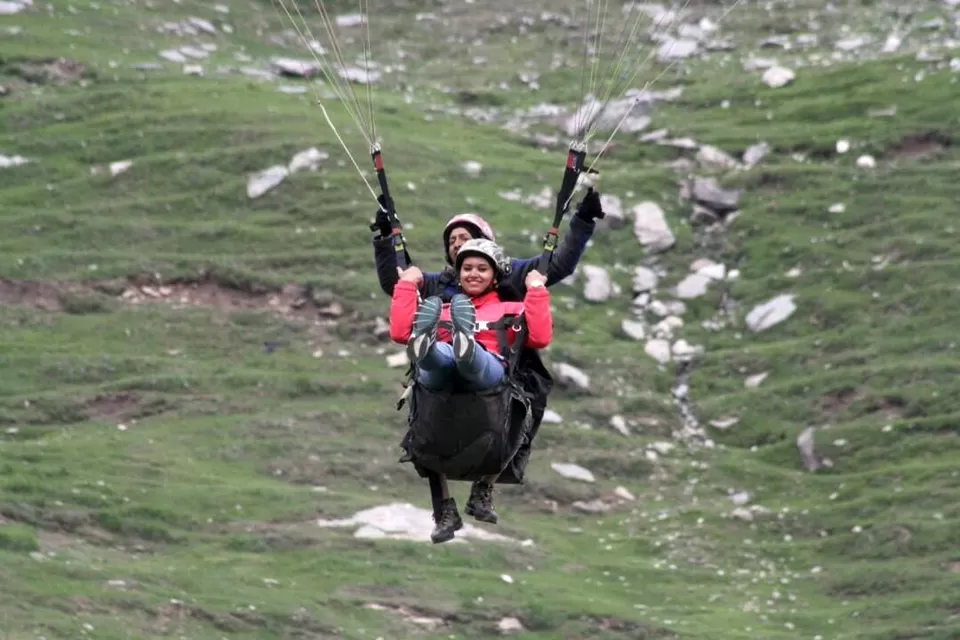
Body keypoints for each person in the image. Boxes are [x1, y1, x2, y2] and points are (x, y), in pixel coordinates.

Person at [389, 238, 553, 543]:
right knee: (437, 360)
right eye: (466, 268)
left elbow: (540, 337)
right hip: (442, 381)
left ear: (496, 275)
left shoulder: (511, 309)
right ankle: (429, 347)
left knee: (472, 362)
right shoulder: (443, 309)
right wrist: (407, 286)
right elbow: (399, 333)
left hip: (489, 377)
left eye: (481, 268)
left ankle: (464, 347)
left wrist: (536, 290)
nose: (472, 273)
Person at [370, 189, 605, 301]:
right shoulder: (437, 284)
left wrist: (582, 222)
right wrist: (386, 237)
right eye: (452, 241)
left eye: (464, 238)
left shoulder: (514, 274)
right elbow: (396, 283)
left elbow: (560, 264)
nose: (457, 244)